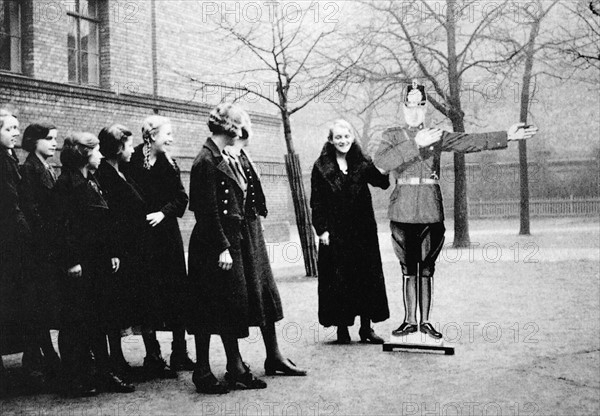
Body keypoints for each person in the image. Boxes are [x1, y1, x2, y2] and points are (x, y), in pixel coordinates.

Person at [373, 80, 538, 339]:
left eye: (420, 105)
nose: (415, 110)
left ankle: (425, 321)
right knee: (408, 268)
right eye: (410, 104)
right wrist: (415, 144)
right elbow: (380, 164)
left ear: (425, 108)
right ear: (403, 107)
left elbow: (467, 142)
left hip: (430, 209)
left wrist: (506, 135)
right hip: (402, 210)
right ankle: (408, 321)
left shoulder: (437, 135)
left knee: (426, 268)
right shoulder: (392, 135)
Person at [188, 103, 267, 394]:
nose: (243, 132)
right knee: (207, 307)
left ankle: (235, 367)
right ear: (230, 128)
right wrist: (222, 247)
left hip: (225, 240)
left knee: (227, 306)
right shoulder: (205, 160)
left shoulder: (217, 155)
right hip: (212, 244)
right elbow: (204, 210)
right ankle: (203, 372)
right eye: (239, 126)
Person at [225, 114, 306, 375]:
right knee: (236, 297)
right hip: (234, 234)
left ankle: (274, 356)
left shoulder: (243, 155)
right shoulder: (222, 157)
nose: (246, 129)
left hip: (252, 231)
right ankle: (234, 362)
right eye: (241, 124)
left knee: (264, 291)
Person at [54, 132, 134, 396]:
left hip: (98, 261)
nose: (101, 155)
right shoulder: (66, 183)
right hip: (80, 264)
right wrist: (71, 260)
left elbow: (104, 221)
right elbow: (59, 226)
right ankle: (73, 379)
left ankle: (102, 372)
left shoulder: (93, 180)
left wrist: (112, 252)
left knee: (99, 317)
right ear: (84, 154)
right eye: (97, 151)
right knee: (75, 321)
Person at [310, 119, 391, 344]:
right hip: (335, 231)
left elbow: (381, 183)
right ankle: (342, 329)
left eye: (346, 136)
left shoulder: (362, 162)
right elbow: (316, 201)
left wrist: (383, 168)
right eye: (338, 137)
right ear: (331, 140)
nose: (343, 141)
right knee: (339, 279)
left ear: (352, 138)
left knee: (366, 276)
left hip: (363, 230)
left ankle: (366, 328)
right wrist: (322, 230)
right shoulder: (321, 166)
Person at [126, 115, 193, 376]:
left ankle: (179, 353)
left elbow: (181, 197)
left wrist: (163, 213)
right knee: (147, 294)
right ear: (152, 136)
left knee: (177, 292)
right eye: (168, 134)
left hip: (167, 238)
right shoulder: (131, 160)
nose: (172, 138)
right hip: (142, 240)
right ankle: (153, 355)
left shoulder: (169, 163)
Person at [96, 124, 148, 378]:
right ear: (118, 148)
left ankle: (118, 359)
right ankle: (114, 359)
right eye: (128, 145)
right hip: (119, 251)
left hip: (131, 249)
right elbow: (108, 218)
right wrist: (114, 249)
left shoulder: (123, 170)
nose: (132, 149)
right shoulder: (105, 174)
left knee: (122, 303)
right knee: (114, 305)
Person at [18, 123, 62, 386]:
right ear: (35, 142)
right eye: (49, 139)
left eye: (55, 139)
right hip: (38, 249)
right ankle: (38, 359)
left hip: (48, 247)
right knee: (38, 305)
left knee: (42, 305)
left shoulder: (47, 168)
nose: (54, 143)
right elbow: (33, 210)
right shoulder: (29, 169)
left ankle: (39, 357)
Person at [0, 108, 29, 396]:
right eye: (9, 129)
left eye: (16, 128)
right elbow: (10, 201)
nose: (15, 133)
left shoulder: (10, 158)